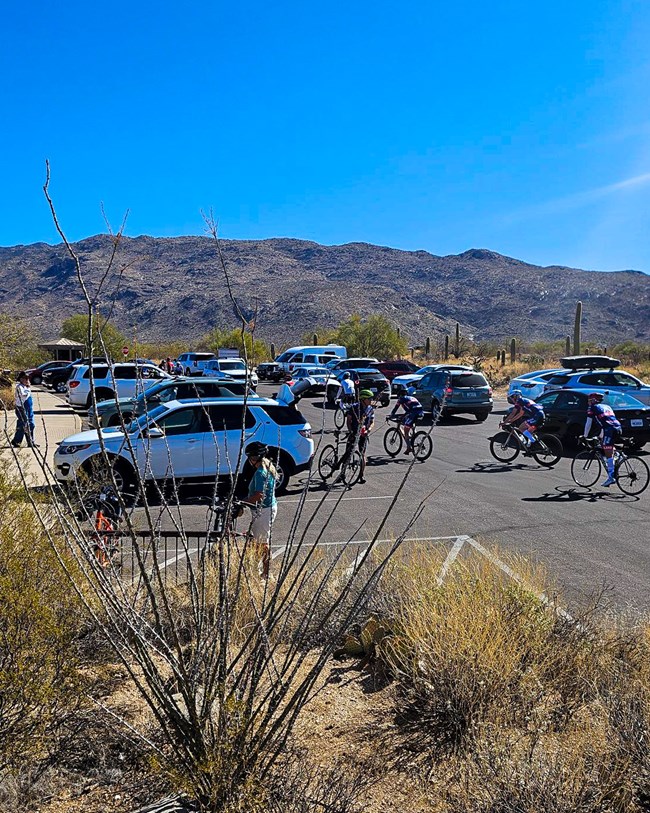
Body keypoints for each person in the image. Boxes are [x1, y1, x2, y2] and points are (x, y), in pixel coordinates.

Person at [243, 441, 278, 579]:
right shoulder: (268, 467)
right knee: (257, 541)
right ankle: (258, 569)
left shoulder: (260, 473)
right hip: (267, 508)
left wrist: (243, 501)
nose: (249, 460)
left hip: (263, 511)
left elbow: (259, 495)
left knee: (263, 544)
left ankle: (266, 573)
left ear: (255, 458)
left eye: (250, 457)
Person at [583, 392, 623, 487]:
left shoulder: (592, 408)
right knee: (606, 445)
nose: (588, 402)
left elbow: (588, 424)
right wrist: (600, 436)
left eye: (589, 400)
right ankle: (617, 457)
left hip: (609, 429)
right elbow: (604, 423)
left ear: (593, 400)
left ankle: (611, 477)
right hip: (617, 427)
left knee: (607, 451)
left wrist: (585, 436)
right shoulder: (607, 406)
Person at [340, 389, 375, 484]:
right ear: (363, 399)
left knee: (362, 454)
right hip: (354, 432)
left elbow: (372, 422)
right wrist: (351, 431)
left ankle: (361, 475)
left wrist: (369, 430)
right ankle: (342, 473)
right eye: (369, 398)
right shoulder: (354, 408)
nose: (371, 400)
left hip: (363, 434)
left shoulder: (370, 409)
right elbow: (348, 421)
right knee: (348, 452)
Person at [389, 386, 424, 452]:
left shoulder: (401, 399)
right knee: (410, 423)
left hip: (413, 413)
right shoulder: (412, 397)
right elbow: (409, 410)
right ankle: (414, 435)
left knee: (406, 430)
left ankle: (409, 447)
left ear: (399, 396)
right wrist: (403, 416)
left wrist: (391, 415)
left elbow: (395, 408)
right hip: (420, 413)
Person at [11, 371, 38, 448]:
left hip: (29, 408)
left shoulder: (27, 387)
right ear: (21, 379)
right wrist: (27, 388)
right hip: (21, 408)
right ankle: (17, 441)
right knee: (24, 424)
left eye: (28, 378)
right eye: (25, 378)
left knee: (31, 424)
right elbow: (23, 395)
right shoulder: (19, 387)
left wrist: (28, 387)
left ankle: (30, 441)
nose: (27, 380)